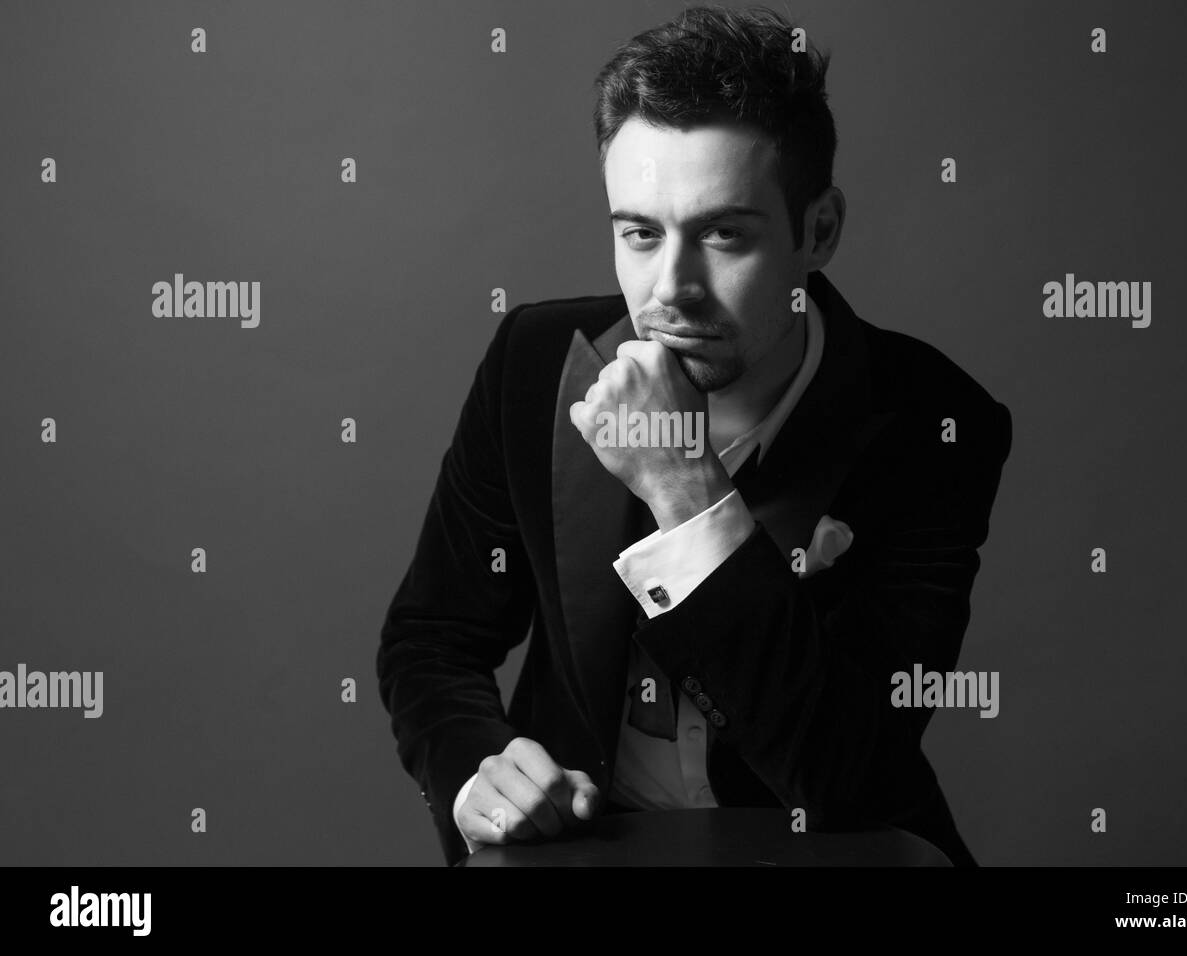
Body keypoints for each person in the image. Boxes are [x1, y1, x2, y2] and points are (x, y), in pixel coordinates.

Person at [377, 4, 1012, 868]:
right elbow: (431, 640)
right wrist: (475, 774)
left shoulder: (936, 421)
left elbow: (845, 771)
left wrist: (686, 485)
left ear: (817, 232)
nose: (670, 289)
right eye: (639, 234)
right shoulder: (532, 363)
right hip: (578, 854)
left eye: (723, 234)